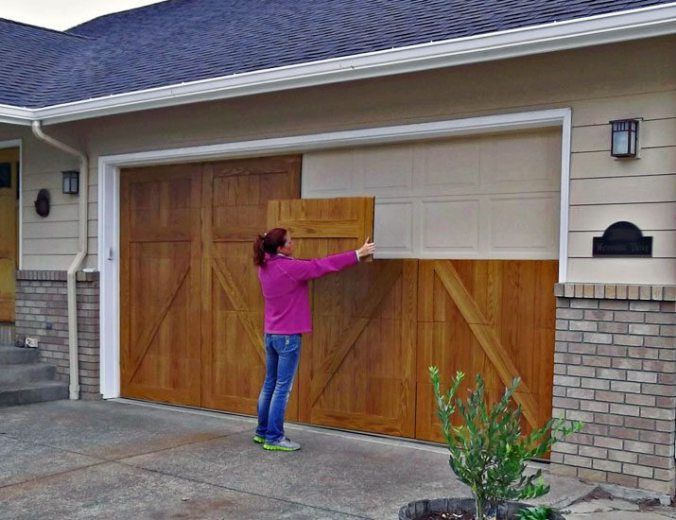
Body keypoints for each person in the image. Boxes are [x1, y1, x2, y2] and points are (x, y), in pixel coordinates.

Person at [252, 227, 376, 451]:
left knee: (270, 383)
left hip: (271, 334)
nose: (294, 243)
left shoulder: (264, 265)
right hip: (288, 337)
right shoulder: (289, 268)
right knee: (282, 387)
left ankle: (262, 432)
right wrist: (358, 254)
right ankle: (274, 438)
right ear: (281, 247)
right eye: (290, 241)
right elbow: (322, 265)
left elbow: (312, 264)